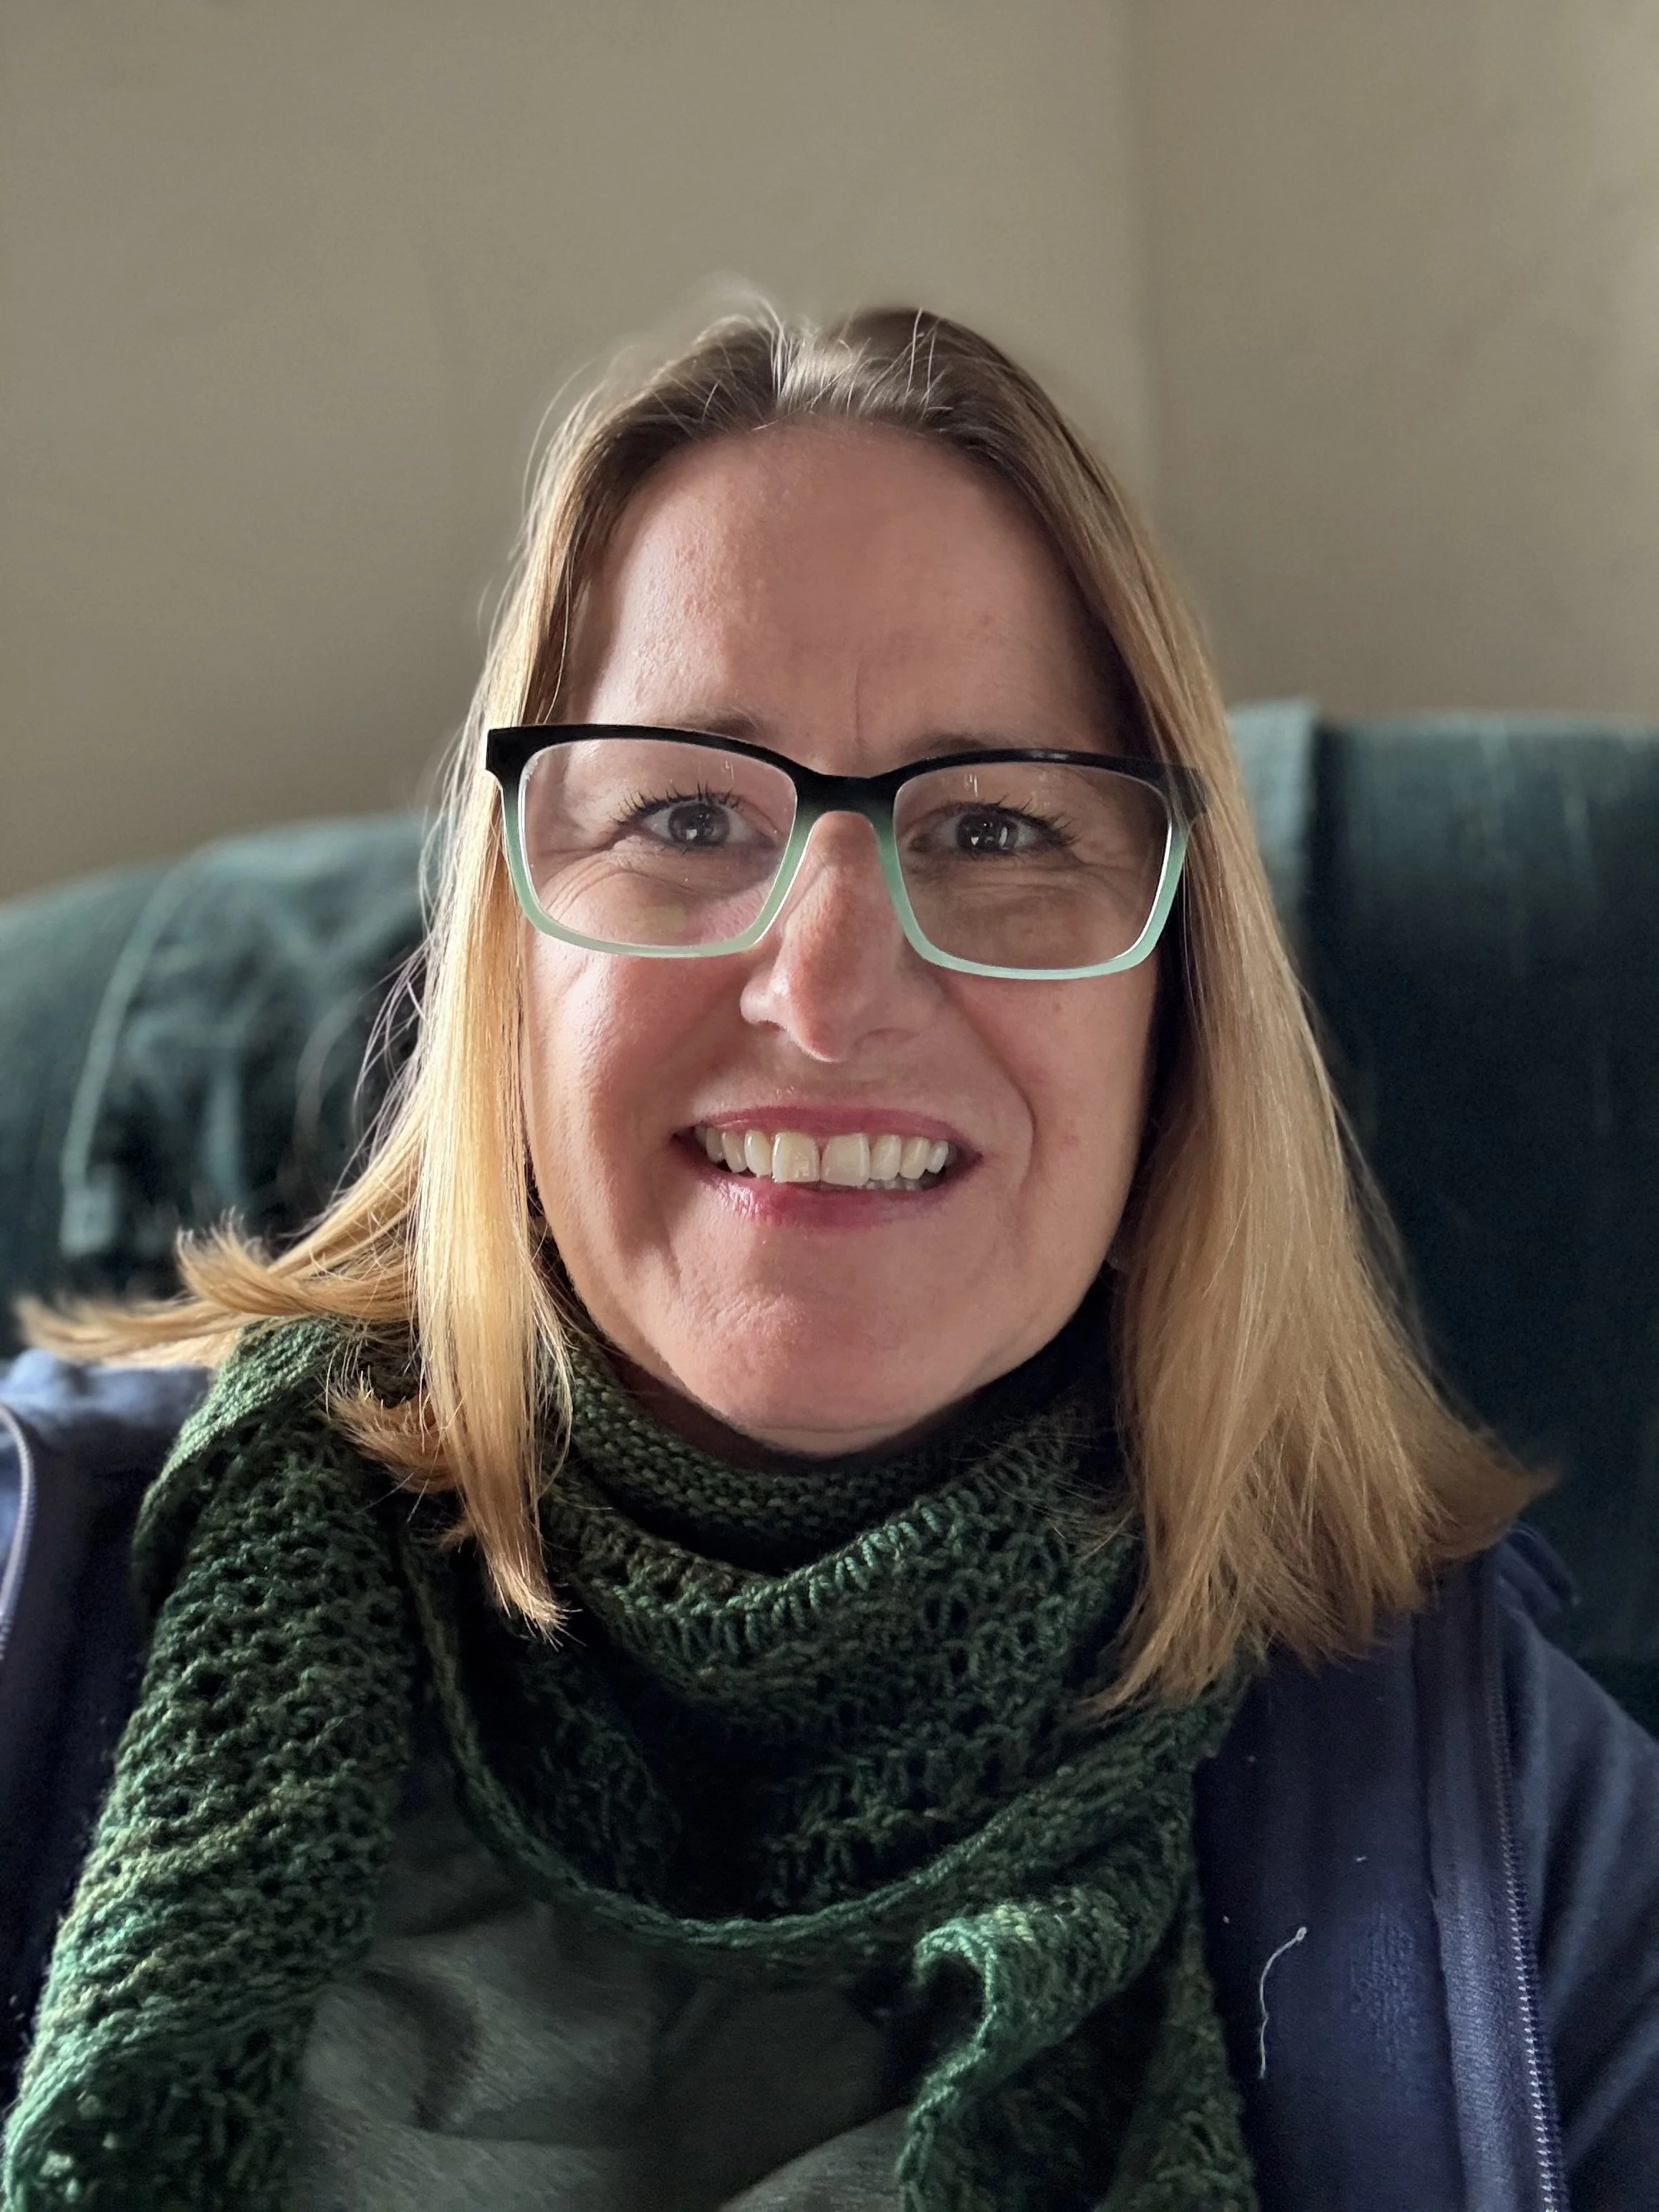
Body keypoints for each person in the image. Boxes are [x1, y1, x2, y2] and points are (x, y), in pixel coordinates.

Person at [2, 306, 1655, 2211]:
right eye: (689, 814)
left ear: (1170, 1008)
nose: (827, 985)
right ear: (510, 970)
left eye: (992, 828)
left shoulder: (1512, 1823)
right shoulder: (48, 1596)